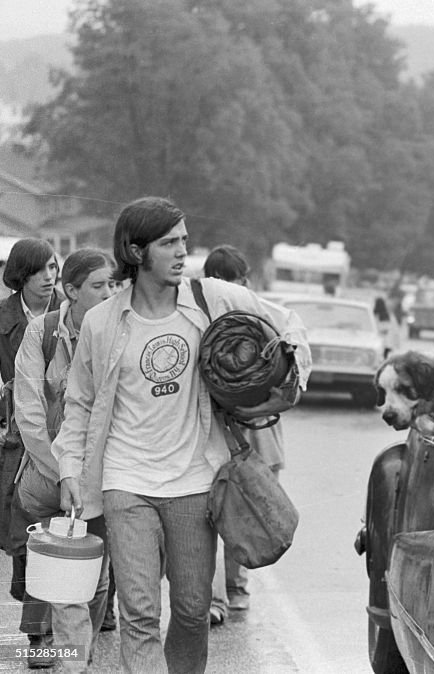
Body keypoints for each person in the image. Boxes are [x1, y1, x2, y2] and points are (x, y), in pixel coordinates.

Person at [52, 197, 311, 673]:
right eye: (169, 243)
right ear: (135, 251)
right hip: (125, 482)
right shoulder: (102, 322)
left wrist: (281, 376)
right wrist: (70, 468)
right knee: (139, 614)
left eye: (184, 241)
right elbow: (80, 404)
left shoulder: (212, 299)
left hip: (196, 481)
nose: (181, 253)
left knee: (192, 611)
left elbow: (288, 326)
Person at [14, 247, 117, 672]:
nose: (109, 293)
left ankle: (77, 654)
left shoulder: (117, 332)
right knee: (47, 560)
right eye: (98, 286)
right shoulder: (42, 332)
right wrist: (63, 472)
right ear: (70, 291)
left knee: (95, 571)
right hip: (48, 470)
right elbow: (29, 410)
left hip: (103, 473)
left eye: (112, 284)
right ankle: (48, 646)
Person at [202, 244, 286, 623]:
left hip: (249, 436)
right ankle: (230, 592)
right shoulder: (258, 319)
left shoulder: (246, 319)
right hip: (249, 437)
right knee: (238, 513)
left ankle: (228, 592)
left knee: (229, 513)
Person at [0, 237, 60, 668]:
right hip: (16, 439)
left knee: (78, 530)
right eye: (39, 270)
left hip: (66, 435)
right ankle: (39, 620)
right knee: (25, 535)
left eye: (54, 268)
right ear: (21, 274)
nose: (48, 277)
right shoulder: (2, 319)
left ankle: (56, 630)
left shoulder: (74, 316)